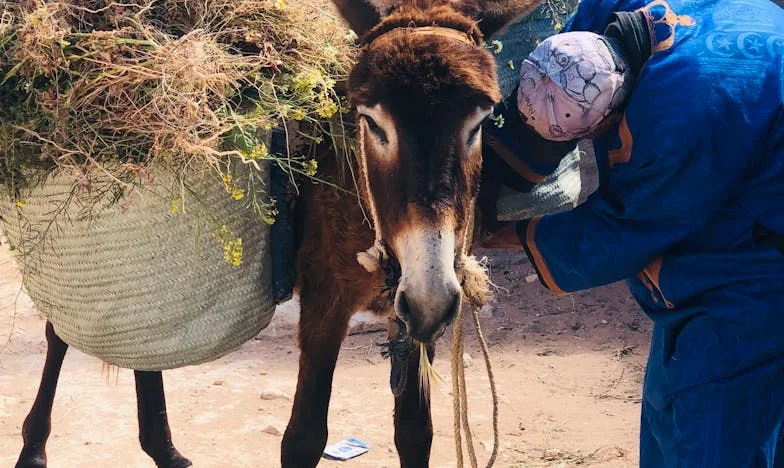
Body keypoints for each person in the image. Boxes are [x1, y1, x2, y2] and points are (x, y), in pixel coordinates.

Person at [479, 0, 784, 465]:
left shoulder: (681, 118)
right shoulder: (611, 18)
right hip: (747, 129)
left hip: (758, 266)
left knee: (717, 420)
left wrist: (504, 235)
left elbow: (626, 229)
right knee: (676, 399)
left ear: (608, 117)